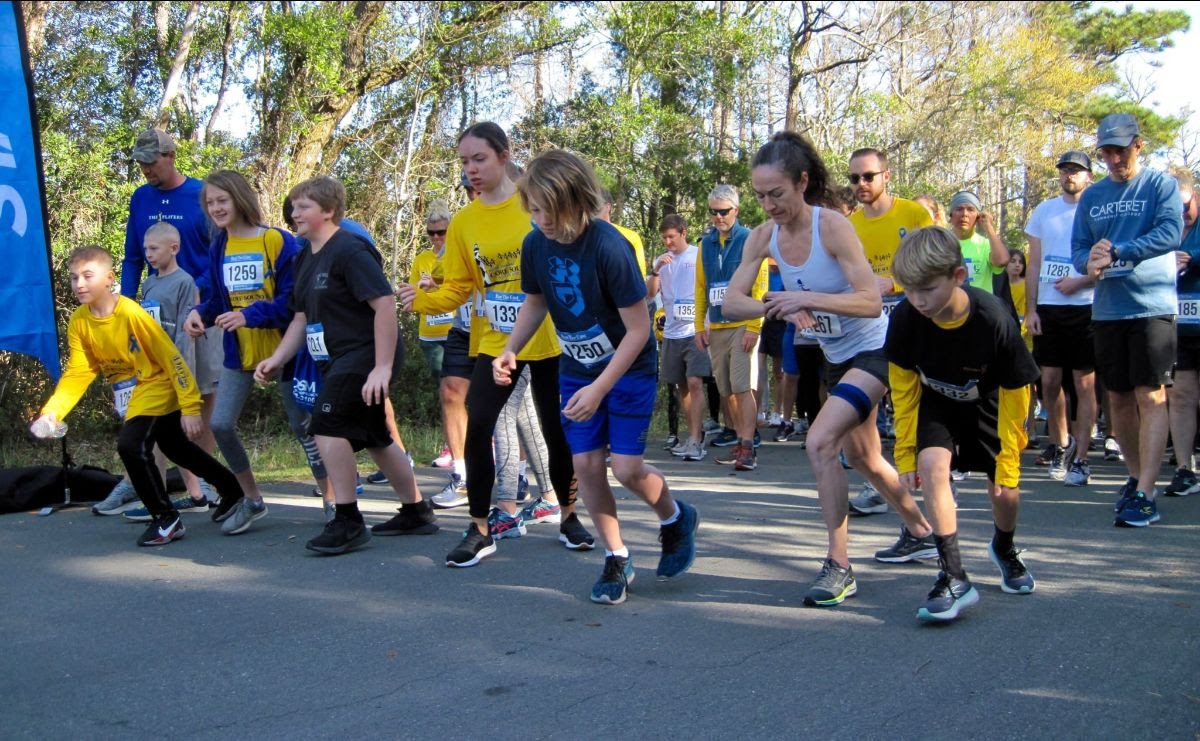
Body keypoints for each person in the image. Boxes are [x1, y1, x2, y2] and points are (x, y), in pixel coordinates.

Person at [722, 131, 938, 608]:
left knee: (820, 442)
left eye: (776, 193)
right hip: (837, 357)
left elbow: (868, 299)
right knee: (864, 458)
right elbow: (733, 303)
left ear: (802, 182)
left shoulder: (834, 227)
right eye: (759, 196)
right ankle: (922, 531)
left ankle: (839, 565)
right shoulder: (762, 236)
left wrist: (807, 298)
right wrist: (775, 305)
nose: (768, 205)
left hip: (878, 347)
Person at [497, 149, 698, 604]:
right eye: (534, 209)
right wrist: (510, 348)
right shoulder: (535, 244)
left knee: (625, 468)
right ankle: (617, 556)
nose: (542, 220)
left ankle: (674, 518)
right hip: (577, 369)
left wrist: (600, 387)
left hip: (627, 368)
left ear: (577, 201)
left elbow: (639, 330)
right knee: (586, 465)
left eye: (551, 210)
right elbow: (536, 302)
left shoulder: (609, 247)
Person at [397, 122, 594, 567]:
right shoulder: (464, 222)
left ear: (505, 155)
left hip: (549, 339)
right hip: (495, 342)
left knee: (555, 429)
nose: (471, 170)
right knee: (479, 420)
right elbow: (460, 288)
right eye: (464, 162)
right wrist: (423, 300)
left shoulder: (534, 206)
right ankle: (480, 528)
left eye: (479, 159)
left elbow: (569, 264)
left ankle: (568, 516)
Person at [257, 176, 437, 554]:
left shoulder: (350, 250)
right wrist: (277, 359)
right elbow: (301, 318)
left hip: (365, 354)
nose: (294, 213)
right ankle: (417, 511)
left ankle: (348, 520)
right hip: (335, 358)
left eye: (303, 207)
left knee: (326, 424)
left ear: (328, 211)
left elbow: (384, 305)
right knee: (375, 436)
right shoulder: (305, 255)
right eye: (292, 207)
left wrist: (382, 367)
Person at [33, 247, 244, 547]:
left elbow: (171, 357)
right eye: (73, 277)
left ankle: (166, 519)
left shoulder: (131, 313)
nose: (79, 284)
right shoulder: (80, 321)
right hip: (131, 390)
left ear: (109, 279)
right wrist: (53, 411)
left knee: (130, 446)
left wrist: (190, 406)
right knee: (175, 446)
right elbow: (80, 371)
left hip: (156, 383)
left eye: (88, 276)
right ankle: (232, 489)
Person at [887, 226, 1041, 621]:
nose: (918, 300)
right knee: (931, 467)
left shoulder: (993, 318)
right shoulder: (905, 319)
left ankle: (1005, 548)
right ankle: (954, 575)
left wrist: (1010, 456)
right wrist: (905, 454)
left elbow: (1017, 390)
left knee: (1004, 491)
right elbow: (903, 390)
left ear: (957, 276)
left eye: (927, 289)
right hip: (939, 403)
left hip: (992, 405)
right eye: (908, 289)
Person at [182, 171, 322, 535]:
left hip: (285, 349)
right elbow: (220, 301)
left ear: (240, 199)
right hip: (239, 353)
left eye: (222, 201)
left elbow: (292, 304)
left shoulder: (277, 240)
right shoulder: (219, 246)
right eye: (210, 203)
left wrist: (248, 315)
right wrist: (199, 314)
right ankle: (253, 499)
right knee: (221, 424)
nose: (215, 208)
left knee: (303, 427)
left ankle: (334, 501)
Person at [92, 129, 223, 516]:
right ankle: (144, 487)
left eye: (152, 160)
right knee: (149, 403)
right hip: (152, 320)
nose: (146, 168)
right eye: (141, 162)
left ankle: (206, 489)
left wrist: (199, 300)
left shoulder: (201, 196)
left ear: (171, 154)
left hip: (198, 315)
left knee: (197, 404)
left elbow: (217, 257)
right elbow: (133, 256)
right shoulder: (141, 198)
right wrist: (125, 307)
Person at [1073, 113, 1184, 526]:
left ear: (1138, 144)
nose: (1114, 158)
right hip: (1108, 308)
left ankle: (1148, 491)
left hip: (1152, 305)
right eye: (1107, 151)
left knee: (1149, 394)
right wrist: (1092, 262)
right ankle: (1136, 478)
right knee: (1117, 397)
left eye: (1121, 149)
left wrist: (1120, 250)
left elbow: (1171, 232)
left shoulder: (1159, 185)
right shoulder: (1092, 196)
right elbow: (1079, 248)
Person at [845, 147, 934, 516]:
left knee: (916, 405)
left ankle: (931, 485)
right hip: (871, 329)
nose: (861, 184)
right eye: (854, 179)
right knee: (873, 409)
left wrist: (895, 284)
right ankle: (879, 483)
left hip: (916, 321)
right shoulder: (850, 225)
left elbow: (938, 263)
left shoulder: (913, 214)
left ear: (887, 175)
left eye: (868, 176)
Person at [118, 222, 216, 520]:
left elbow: (184, 334)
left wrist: (181, 374)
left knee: (168, 440)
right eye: (145, 249)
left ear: (174, 248)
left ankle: (208, 490)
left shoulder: (185, 282)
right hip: (151, 371)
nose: (148, 254)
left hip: (174, 371)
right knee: (166, 440)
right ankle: (174, 497)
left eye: (154, 248)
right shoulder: (149, 284)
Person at [1024, 150, 1097, 486]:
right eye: (1065, 170)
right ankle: (1061, 442)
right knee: (1049, 382)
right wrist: (1031, 309)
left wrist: (1081, 281)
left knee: (1084, 383)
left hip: (1087, 304)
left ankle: (1082, 456)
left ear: (1088, 176)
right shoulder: (1044, 211)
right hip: (1050, 307)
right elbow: (1034, 265)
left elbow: (1106, 260)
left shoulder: (1095, 209)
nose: (1070, 176)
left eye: (1077, 171)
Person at [694, 184, 768, 470]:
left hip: (743, 324)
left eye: (723, 211)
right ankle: (739, 441)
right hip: (718, 325)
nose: (718, 217)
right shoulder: (705, 244)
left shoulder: (750, 239)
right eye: (713, 212)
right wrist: (700, 325)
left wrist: (754, 326)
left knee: (741, 386)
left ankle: (749, 446)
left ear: (735, 210)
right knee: (725, 389)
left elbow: (760, 285)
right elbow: (701, 287)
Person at [647, 214, 711, 461]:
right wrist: (655, 271)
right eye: (664, 238)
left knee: (695, 382)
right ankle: (693, 435)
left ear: (683, 232)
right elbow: (649, 295)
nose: (668, 242)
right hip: (671, 332)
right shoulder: (662, 261)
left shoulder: (698, 255)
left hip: (695, 330)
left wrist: (707, 326)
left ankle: (696, 440)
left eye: (671, 237)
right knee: (681, 385)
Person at [409, 202, 456, 468]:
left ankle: (484, 442)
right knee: (444, 392)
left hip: (456, 332)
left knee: (465, 390)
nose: (437, 237)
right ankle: (450, 445)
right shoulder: (422, 260)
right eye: (432, 233)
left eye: (442, 232)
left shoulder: (458, 254)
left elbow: (460, 290)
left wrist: (436, 286)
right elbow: (416, 296)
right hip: (430, 335)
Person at [1167, 172, 1200, 496]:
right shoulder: (1168, 227)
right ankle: (1184, 468)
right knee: (1180, 395)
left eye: (1185, 206)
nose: (1182, 213)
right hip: (1180, 322)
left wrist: (1193, 259)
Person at [948, 190, 1009, 293]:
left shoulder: (985, 245)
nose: (964, 214)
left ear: (978, 216)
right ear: (951, 215)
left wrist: (989, 227)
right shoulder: (941, 243)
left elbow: (1002, 261)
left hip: (979, 306)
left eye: (970, 209)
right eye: (959, 209)